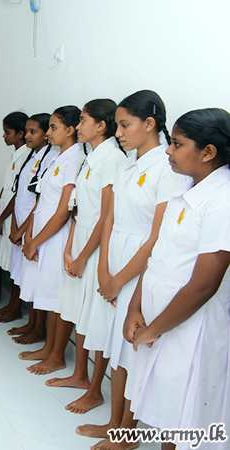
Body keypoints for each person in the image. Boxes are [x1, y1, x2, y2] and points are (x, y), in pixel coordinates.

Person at [78, 90, 186, 450]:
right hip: (114, 261)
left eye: (125, 125)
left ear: (150, 124)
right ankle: (114, 424)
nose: (119, 132)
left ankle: (129, 432)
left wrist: (120, 279)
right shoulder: (128, 162)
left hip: (139, 265)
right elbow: (109, 218)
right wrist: (104, 269)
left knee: (132, 349)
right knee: (115, 345)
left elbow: (156, 236)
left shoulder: (166, 168)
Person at [121, 108, 230, 450]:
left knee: (188, 414)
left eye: (178, 144)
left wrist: (154, 329)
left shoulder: (222, 200)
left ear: (208, 153)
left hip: (190, 327)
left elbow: (204, 285)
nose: (168, 150)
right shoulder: (184, 187)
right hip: (160, 318)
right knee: (169, 410)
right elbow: (159, 255)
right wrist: (135, 308)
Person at [45, 99, 127, 414]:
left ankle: (94, 389)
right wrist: (69, 249)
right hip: (80, 243)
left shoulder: (112, 160)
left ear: (99, 126)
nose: (78, 127)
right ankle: (79, 375)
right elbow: (77, 209)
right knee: (80, 312)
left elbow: (107, 215)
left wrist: (83, 257)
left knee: (95, 316)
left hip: (96, 248)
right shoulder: (92, 157)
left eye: (82, 120)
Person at [18, 106, 85, 375]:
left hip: (57, 236)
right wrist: (30, 235)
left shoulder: (74, 158)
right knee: (46, 292)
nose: (49, 133)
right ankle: (48, 348)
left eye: (54, 127)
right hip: (44, 233)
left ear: (70, 130)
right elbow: (43, 200)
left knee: (57, 297)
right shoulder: (58, 156)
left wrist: (35, 241)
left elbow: (63, 211)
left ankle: (57, 355)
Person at [7, 114, 57, 345]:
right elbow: (20, 191)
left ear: (46, 133)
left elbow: (39, 200)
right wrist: (16, 226)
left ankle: (39, 328)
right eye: (26, 131)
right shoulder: (32, 155)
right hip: (23, 220)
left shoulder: (49, 157)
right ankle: (31, 324)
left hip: (34, 223)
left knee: (36, 279)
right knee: (26, 276)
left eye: (33, 132)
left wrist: (24, 230)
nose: (26, 136)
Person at [0, 112, 30, 323]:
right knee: (8, 260)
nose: (4, 136)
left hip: (14, 213)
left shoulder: (26, 156)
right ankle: (11, 305)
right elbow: (6, 187)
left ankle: (16, 306)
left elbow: (19, 192)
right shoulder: (15, 154)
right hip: (5, 210)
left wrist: (3, 215)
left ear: (20, 134)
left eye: (7, 132)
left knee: (16, 262)